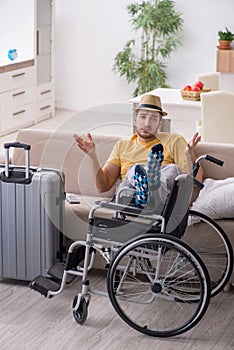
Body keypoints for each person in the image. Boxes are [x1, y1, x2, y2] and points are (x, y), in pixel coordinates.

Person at [73, 94, 202, 210]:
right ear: (135, 119)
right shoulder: (123, 145)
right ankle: (144, 188)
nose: (147, 123)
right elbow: (103, 186)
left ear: (159, 123)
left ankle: (152, 189)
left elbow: (196, 181)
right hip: (130, 199)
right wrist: (92, 157)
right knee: (136, 169)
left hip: (162, 202)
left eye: (153, 118)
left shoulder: (174, 140)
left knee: (172, 170)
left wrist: (189, 154)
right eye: (143, 117)